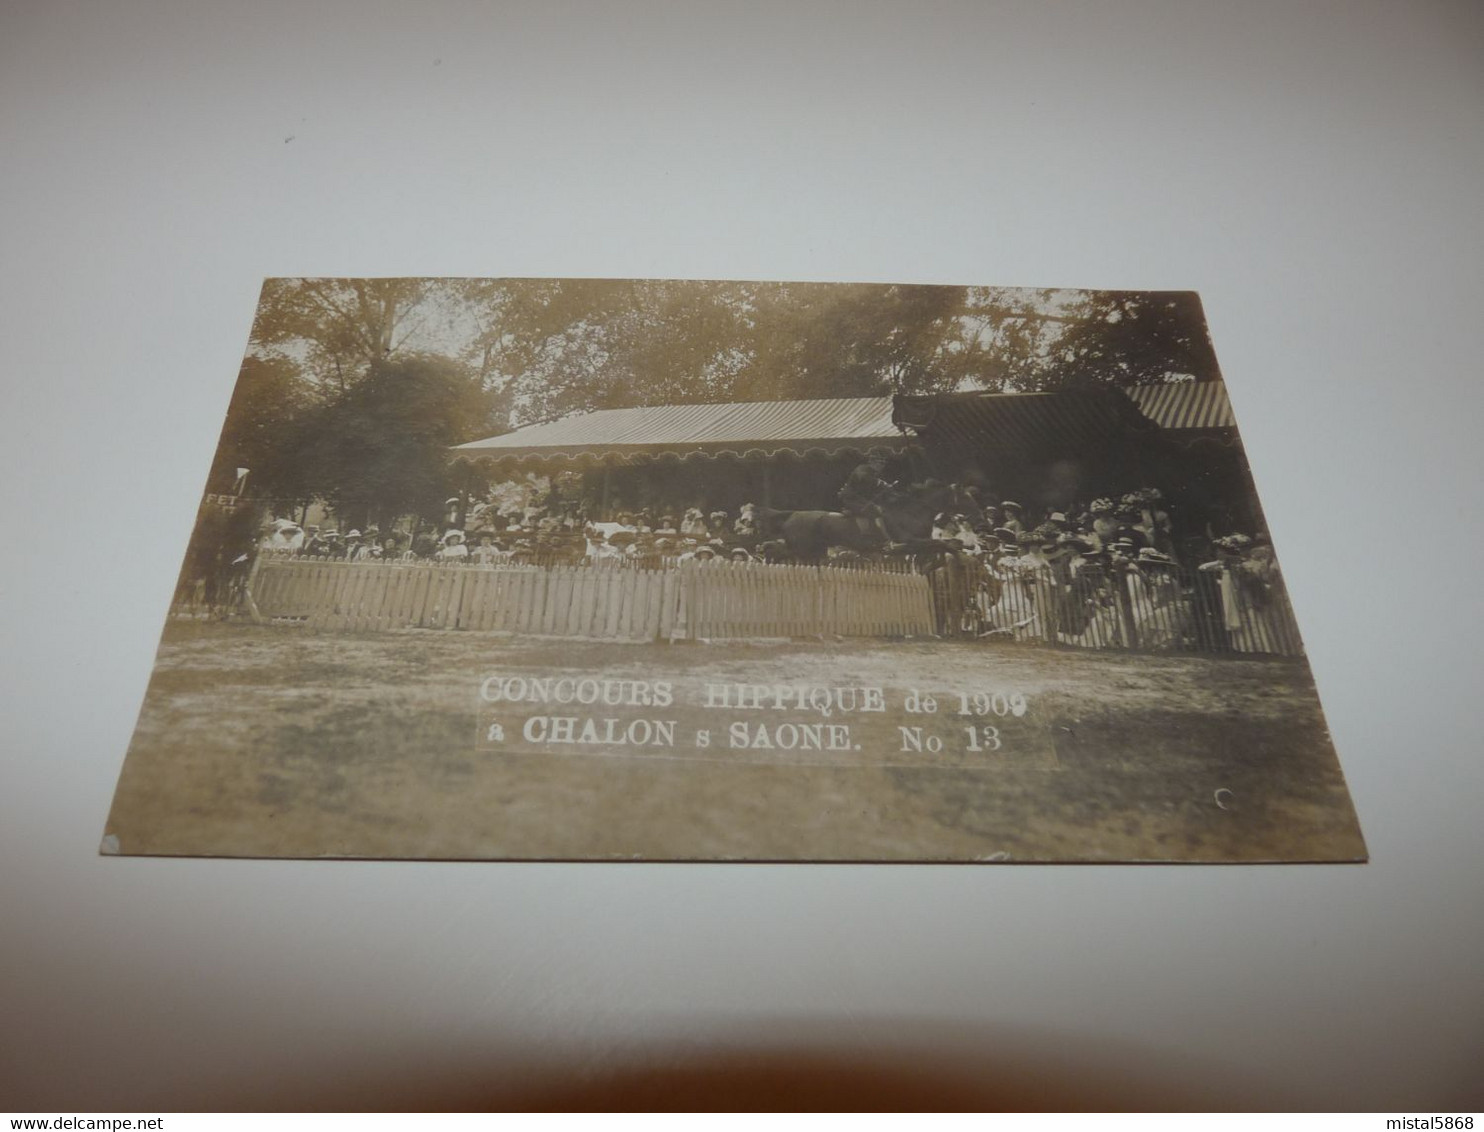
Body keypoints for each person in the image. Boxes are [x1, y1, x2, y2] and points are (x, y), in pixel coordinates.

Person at [838, 459, 891, 540]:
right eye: (880, 463)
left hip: (858, 498)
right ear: (872, 462)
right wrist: (881, 483)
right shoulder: (862, 469)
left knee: (878, 508)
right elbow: (864, 478)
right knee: (874, 511)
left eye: (883, 464)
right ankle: (875, 536)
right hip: (851, 498)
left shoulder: (873, 472)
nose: (881, 466)